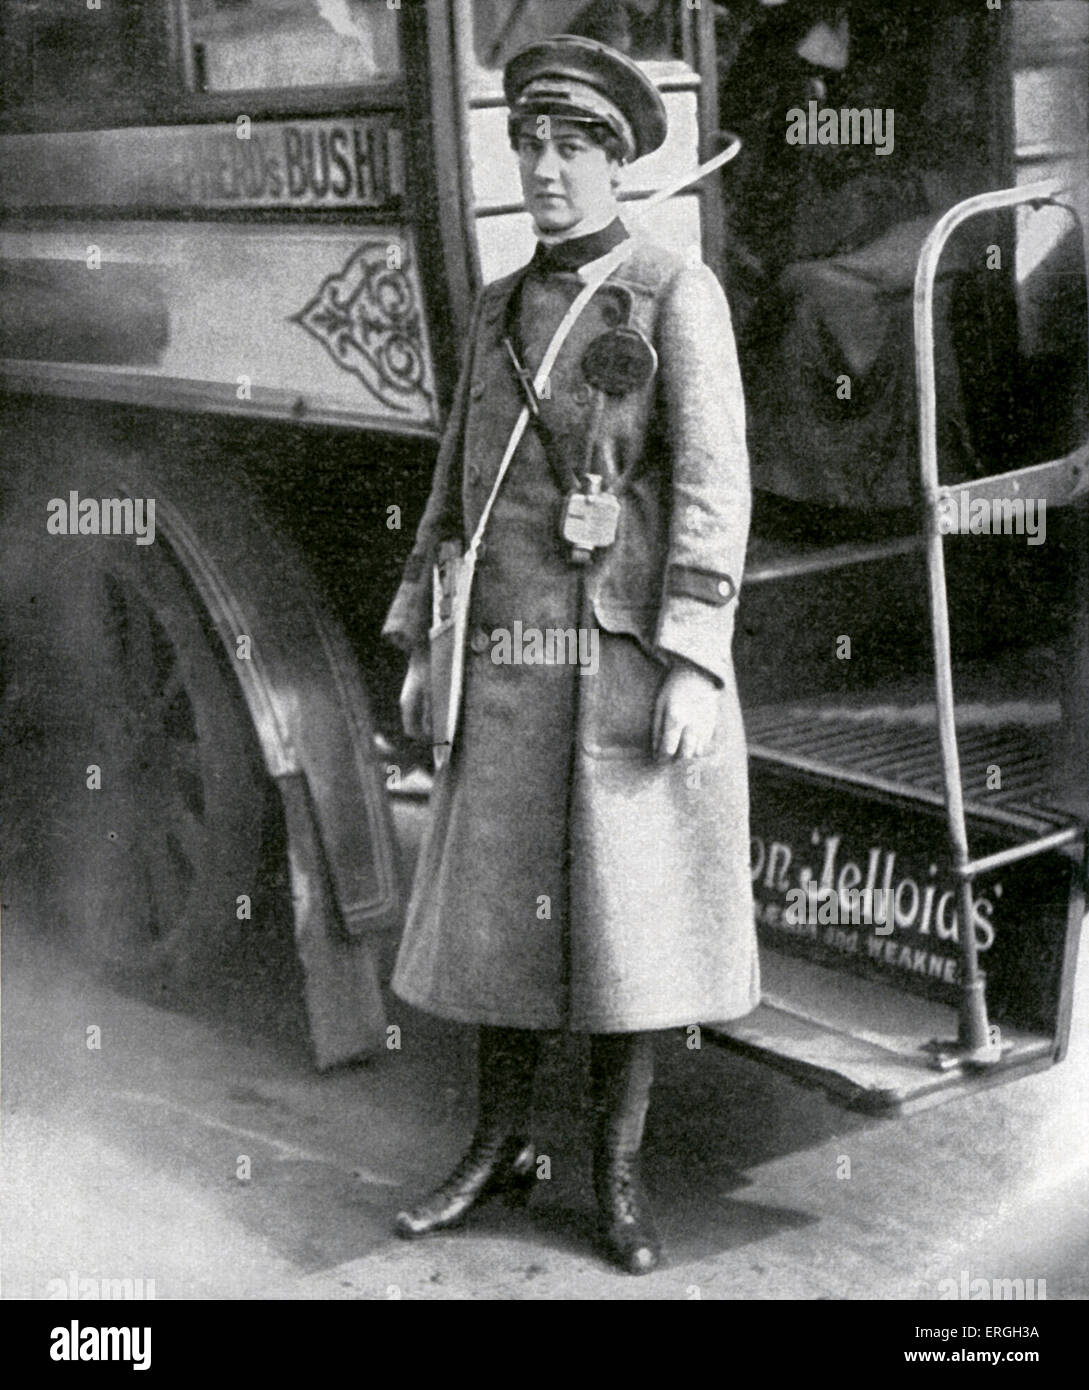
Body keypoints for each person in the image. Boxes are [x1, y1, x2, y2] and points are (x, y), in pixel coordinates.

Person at [382, 33, 758, 1275]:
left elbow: (712, 487)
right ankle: (493, 1149)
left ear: (618, 163)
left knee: (621, 927)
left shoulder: (672, 294)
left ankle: (614, 1178)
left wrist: (697, 657)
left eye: (574, 148)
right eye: (530, 145)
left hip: (622, 662)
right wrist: (423, 638)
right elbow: (459, 489)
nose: (545, 169)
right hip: (505, 658)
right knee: (501, 921)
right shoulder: (499, 307)